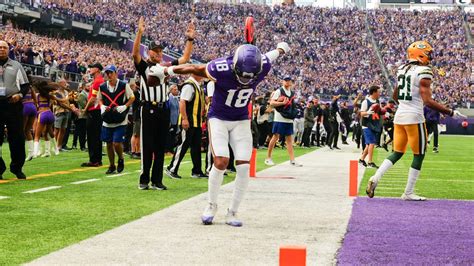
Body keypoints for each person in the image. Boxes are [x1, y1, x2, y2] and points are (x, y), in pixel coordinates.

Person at [151, 42, 290, 226]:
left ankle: (232, 212)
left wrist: (281, 49)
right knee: (221, 161)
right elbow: (194, 67)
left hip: (241, 119)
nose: (246, 80)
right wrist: (166, 71)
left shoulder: (261, 64)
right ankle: (211, 205)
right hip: (218, 118)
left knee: (242, 166)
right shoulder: (220, 67)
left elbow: (271, 54)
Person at [366, 41, 466, 201]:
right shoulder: (423, 71)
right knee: (419, 154)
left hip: (399, 116)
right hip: (414, 117)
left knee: (397, 153)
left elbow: (394, 96)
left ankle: (375, 178)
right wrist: (450, 112)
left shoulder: (402, 69)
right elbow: (427, 100)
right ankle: (408, 192)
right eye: (428, 54)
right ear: (421, 54)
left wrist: (407, 104)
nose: (430, 58)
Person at [132, 16, 195, 190]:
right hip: (148, 108)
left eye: (160, 51)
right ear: (149, 52)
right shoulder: (144, 67)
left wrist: (190, 39)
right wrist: (139, 33)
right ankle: (144, 180)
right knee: (148, 145)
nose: (159, 53)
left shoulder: (165, 66)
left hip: (163, 108)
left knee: (161, 146)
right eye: (155, 51)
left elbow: (184, 59)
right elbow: (134, 54)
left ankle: (157, 180)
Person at [166, 74, 207, 179]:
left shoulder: (197, 85)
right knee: (183, 145)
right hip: (189, 121)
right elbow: (182, 102)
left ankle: (197, 171)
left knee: (196, 146)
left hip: (196, 122)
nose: (203, 75)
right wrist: (184, 119)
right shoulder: (189, 85)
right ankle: (172, 168)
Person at [0, 40, 30, 179]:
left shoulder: (17, 65)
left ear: (8, 49)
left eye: (4, 47)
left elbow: (25, 85)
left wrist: (20, 95)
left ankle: (17, 168)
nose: (1, 49)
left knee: (17, 136)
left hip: (13, 104)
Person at [99, 65, 135, 174]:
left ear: (116, 73)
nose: (109, 75)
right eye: (107, 73)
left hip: (120, 118)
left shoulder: (124, 85)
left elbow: (132, 97)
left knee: (116, 143)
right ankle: (111, 165)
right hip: (107, 118)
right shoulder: (102, 86)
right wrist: (101, 106)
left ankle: (121, 158)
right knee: (109, 144)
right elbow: (100, 99)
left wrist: (125, 106)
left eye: (111, 73)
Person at [265, 76, 303, 167]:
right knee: (275, 137)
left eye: (289, 81)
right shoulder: (279, 91)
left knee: (289, 139)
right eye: (285, 81)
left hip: (288, 118)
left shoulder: (292, 92)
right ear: (283, 82)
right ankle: (268, 158)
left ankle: (292, 160)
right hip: (279, 117)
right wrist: (282, 103)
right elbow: (272, 103)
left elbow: (292, 105)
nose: (287, 82)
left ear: (291, 82)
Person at [81, 63, 104, 167]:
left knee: (92, 135)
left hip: (94, 111)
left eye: (92, 67)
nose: (90, 69)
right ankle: (97, 159)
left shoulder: (97, 81)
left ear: (98, 70)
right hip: (97, 111)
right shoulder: (98, 81)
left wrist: (85, 110)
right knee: (96, 135)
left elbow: (93, 98)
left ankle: (94, 160)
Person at [358, 86, 382, 168]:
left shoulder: (377, 101)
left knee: (369, 144)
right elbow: (361, 113)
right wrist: (367, 112)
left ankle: (361, 159)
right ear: (374, 92)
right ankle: (370, 161)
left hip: (374, 124)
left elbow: (378, 112)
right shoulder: (366, 101)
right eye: (378, 92)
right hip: (367, 125)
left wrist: (383, 112)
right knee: (372, 143)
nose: (380, 93)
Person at [53, 79, 71, 154]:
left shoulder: (66, 92)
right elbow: (60, 103)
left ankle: (59, 146)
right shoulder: (56, 93)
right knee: (56, 130)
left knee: (63, 130)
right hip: (59, 112)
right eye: (64, 83)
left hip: (66, 112)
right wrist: (71, 108)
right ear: (60, 84)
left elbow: (67, 102)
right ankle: (53, 146)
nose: (66, 84)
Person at [72, 83, 88, 151]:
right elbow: (84, 105)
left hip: (85, 115)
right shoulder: (82, 94)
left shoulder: (86, 94)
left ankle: (82, 145)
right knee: (82, 132)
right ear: (84, 87)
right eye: (88, 86)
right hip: (82, 115)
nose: (89, 87)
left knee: (83, 131)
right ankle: (82, 146)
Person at [165, 84, 179, 156]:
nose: (177, 91)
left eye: (177, 89)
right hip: (170, 120)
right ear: (171, 90)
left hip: (176, 120)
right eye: (175, 89)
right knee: (169, 136)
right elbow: (168, 110)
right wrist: (168, 121)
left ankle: (171, 149)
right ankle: (167, 150)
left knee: (173, 136)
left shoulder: (176, 98)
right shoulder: (169, 98)